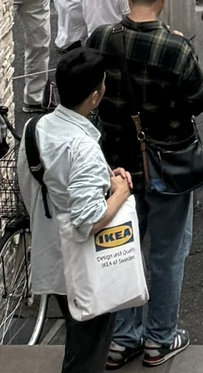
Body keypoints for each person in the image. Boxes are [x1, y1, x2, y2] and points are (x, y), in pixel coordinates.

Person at [88, 0, 203, 368]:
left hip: (117, 168)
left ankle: (124, 338)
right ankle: (159, 338)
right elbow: (202, 100)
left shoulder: (102, 39)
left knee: (122, 248)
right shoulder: (175, 48)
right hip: (169, 166)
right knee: (168, 251)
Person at [19, 43, 138, 373]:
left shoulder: (34, 129)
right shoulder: (82, 147)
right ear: (95, 95)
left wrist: (103, 182)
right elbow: (91, 219)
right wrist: (120, 191)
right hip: (85, 267)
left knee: (79, 342)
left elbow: (45, 186)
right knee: (86, 355)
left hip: (51, 256)